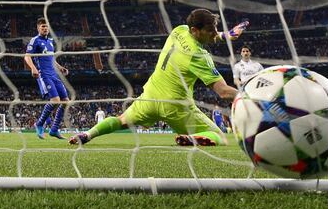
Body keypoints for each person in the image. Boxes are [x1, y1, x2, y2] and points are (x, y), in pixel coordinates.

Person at [69, 9, 249, 146]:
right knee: (219, 137)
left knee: (121, 120)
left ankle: (87, 135)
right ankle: (192, 137)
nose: (214, 33)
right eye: (211, 30)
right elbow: (223, 92)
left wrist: (228, 35)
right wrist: (251, 96)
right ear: (195, 30)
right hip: (176, 106)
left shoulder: (180, 30)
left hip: (150, 97)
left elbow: (208, 37)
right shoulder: (199, 56)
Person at [24, 17, 69, 139]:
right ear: (38, 28)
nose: (45, 28)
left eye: (46, 26)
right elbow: (27, 56)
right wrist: (33, 68)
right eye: (42, 26)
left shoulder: (50, 41)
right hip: (44, 75)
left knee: (66, 101)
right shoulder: (35, 41)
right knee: (55, 101)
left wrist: (60, 68)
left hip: (54, 75)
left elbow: (51, 58)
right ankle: (39, 124)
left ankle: (54, 129)